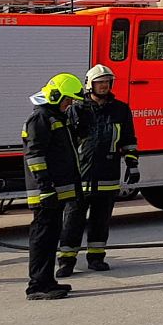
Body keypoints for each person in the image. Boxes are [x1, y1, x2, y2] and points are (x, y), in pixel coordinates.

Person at [57, 64, 139, 277]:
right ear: (89, 85)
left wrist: (132, 163)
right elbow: (66, 141)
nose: (103, 86)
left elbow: (128, 139)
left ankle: (96, 257)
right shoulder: (77, 109)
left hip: (108, 174)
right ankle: (66, 260)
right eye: (99, 82)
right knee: (73, 219)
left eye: (106, 82)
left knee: (100, 220)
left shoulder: (120, 109)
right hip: (80, 175)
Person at [22, 73, 84, 300]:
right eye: (67, 100)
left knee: (50, 238)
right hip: (46, 192)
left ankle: (48, 281)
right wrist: (45, 187)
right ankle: (37, 286)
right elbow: (35, 156)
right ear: (55, 95)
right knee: (42, 237)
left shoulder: (56, 117)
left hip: (56, 191)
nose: (69, 104)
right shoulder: (40, 118)